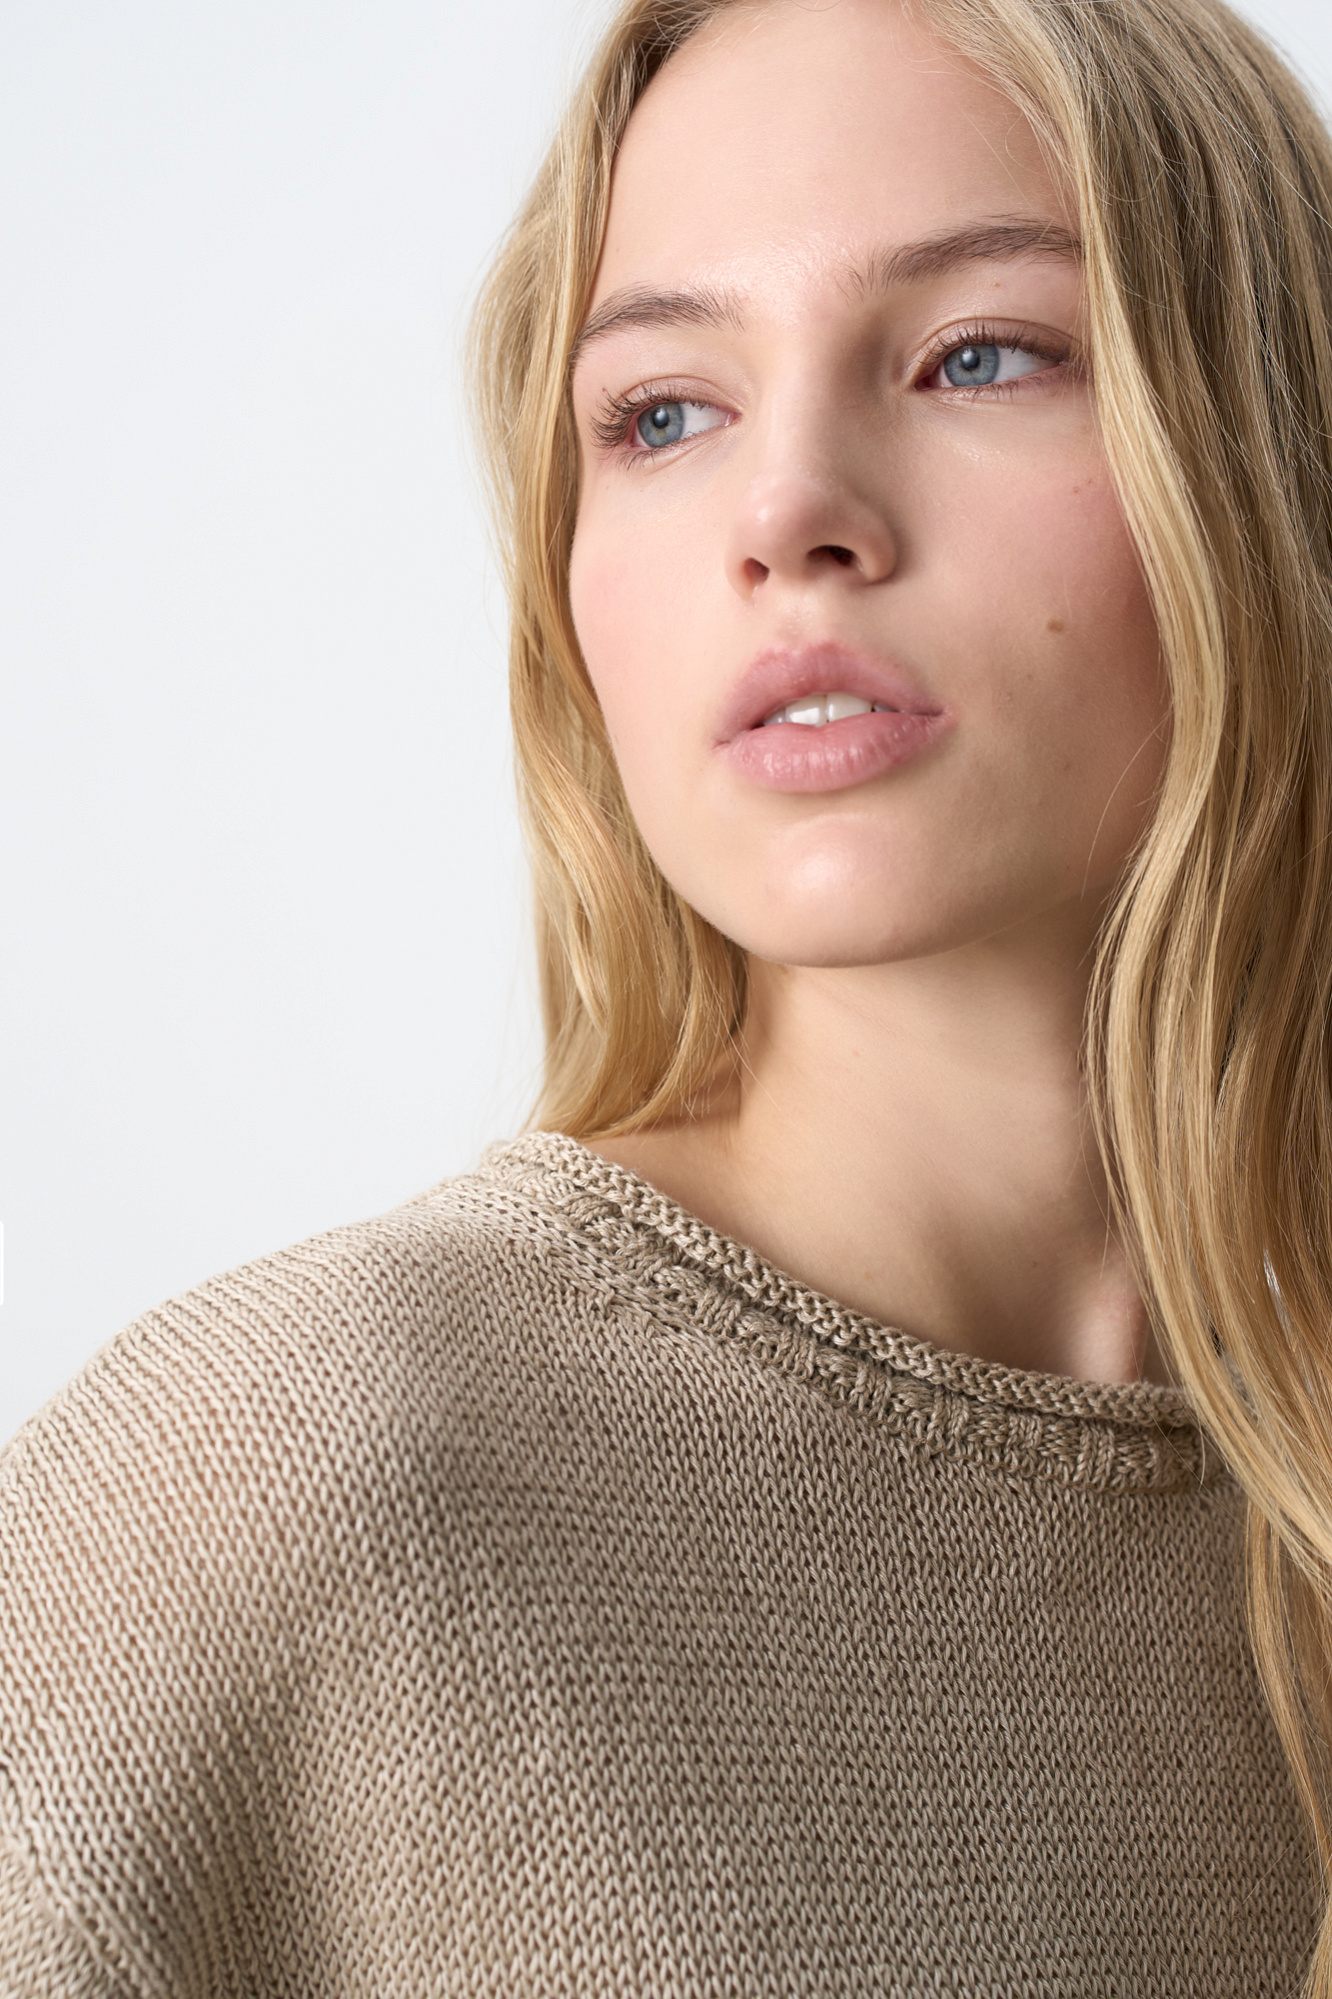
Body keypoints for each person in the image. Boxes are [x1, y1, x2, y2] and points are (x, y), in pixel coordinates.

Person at [3, 0, 1331, 1988]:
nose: (787, 513)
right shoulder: (292, 1476)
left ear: (1273, 455)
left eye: (983, 354)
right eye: (660, 414)